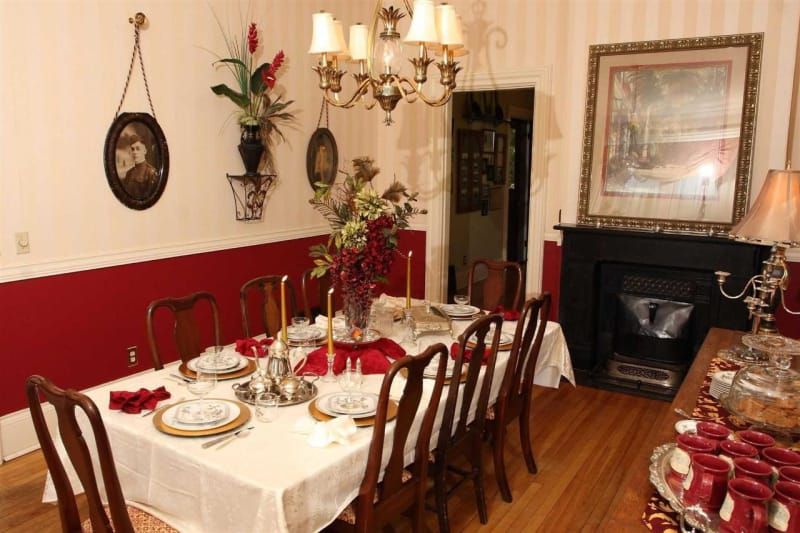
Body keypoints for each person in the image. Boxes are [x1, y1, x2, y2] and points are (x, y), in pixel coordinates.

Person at [122, 135, 158, 199]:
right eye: (133, 149)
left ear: (145, 151)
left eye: (138, 149)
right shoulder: (128, 173)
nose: (135, 152)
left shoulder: (151, 173)